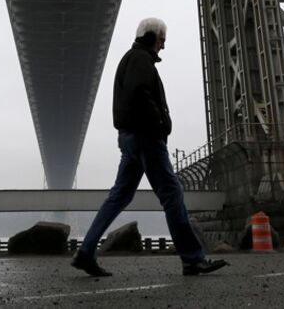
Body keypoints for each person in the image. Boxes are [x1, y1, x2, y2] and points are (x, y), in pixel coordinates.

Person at [71, 17, 227, 277]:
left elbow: (134, 94)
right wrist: (161, 124)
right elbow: (139, 92)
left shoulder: (129, 60)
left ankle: (86, 252)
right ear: (151, 37)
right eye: (162, 40)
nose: (163, 46)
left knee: (119, 196)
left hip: (130, 138)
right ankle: (192, 258)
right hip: (145, 138)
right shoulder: (141, 60)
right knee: (172, 193)